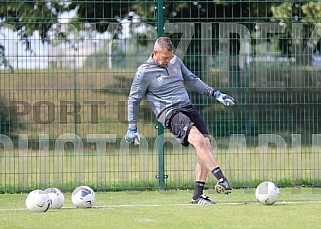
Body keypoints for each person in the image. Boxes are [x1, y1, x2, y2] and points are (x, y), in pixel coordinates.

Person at [125, 37, 235, 204]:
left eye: (170, 57)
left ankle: (198, 196)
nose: (168, 61)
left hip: (187, 107)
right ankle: (221, 177)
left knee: (205, 145)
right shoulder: (144, 72)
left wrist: (215, 93)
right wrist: (132, 127)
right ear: (155, 53)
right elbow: (133, 99)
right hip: (169, 112)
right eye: (164, 58)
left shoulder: (175, 61)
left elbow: (192, 80)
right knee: (198, 140)